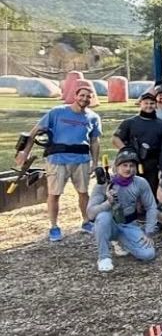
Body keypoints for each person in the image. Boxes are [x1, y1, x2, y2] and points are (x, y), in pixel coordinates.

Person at [16, 84, 101, 241]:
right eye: (82, 95)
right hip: (57, 159)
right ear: (75, 96)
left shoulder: (93, 117)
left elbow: (94, 141)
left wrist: (95, 162)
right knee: (54, 194)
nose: (85, 99)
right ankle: (54, 227)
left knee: (83, 193)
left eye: (88, 96)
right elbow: (35, 132)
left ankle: (86, 221)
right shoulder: (57, 112)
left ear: (92, 99)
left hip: (81, 160)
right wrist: (24, 152)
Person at [87, 148, 157, 272]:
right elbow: (91, 214)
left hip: (129, 224)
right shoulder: (103, 184)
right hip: (110, 224)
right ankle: (104, 257)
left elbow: (151, 206)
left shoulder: (140, 183)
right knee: (103, 217)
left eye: (131, 165)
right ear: (116, 166)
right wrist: (108, 203)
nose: (128, 169)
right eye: (124, 165)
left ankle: (122, 242)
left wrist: (149, 232)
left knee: (148, 254)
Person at [113, 91, 162, 194]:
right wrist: (128, 153)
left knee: (151, 190)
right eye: (146, 103)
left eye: (152, 103)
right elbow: (116, 139)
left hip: (153, 164)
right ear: (140, 104)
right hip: (133, 162)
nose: (149, 106)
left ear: (156, 105)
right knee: (130, 190)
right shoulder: (129, 122)